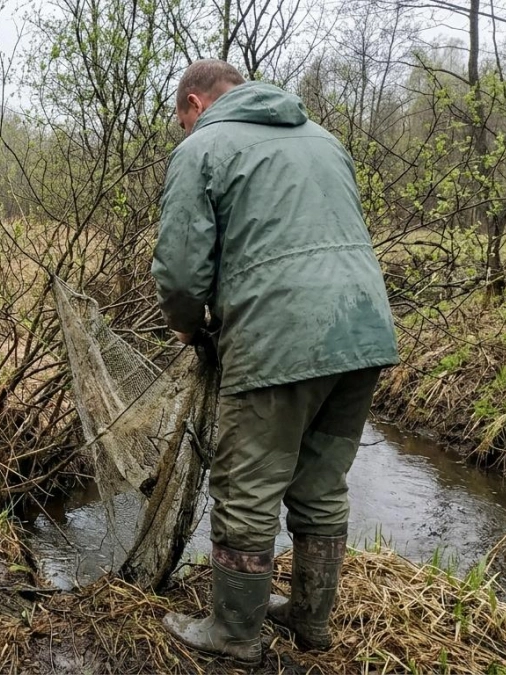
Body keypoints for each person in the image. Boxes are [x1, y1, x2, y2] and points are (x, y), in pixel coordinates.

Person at [153, 60, 398, 664]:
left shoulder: (204, 146)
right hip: (363, 332)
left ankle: (234, 633)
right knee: (320, 482)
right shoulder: (324, 139)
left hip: (279, 338)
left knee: (246, 488)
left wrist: (187, 327)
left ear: (194, 103)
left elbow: (182, 273)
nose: (184, 129)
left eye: (182, 119)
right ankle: (312, 622)